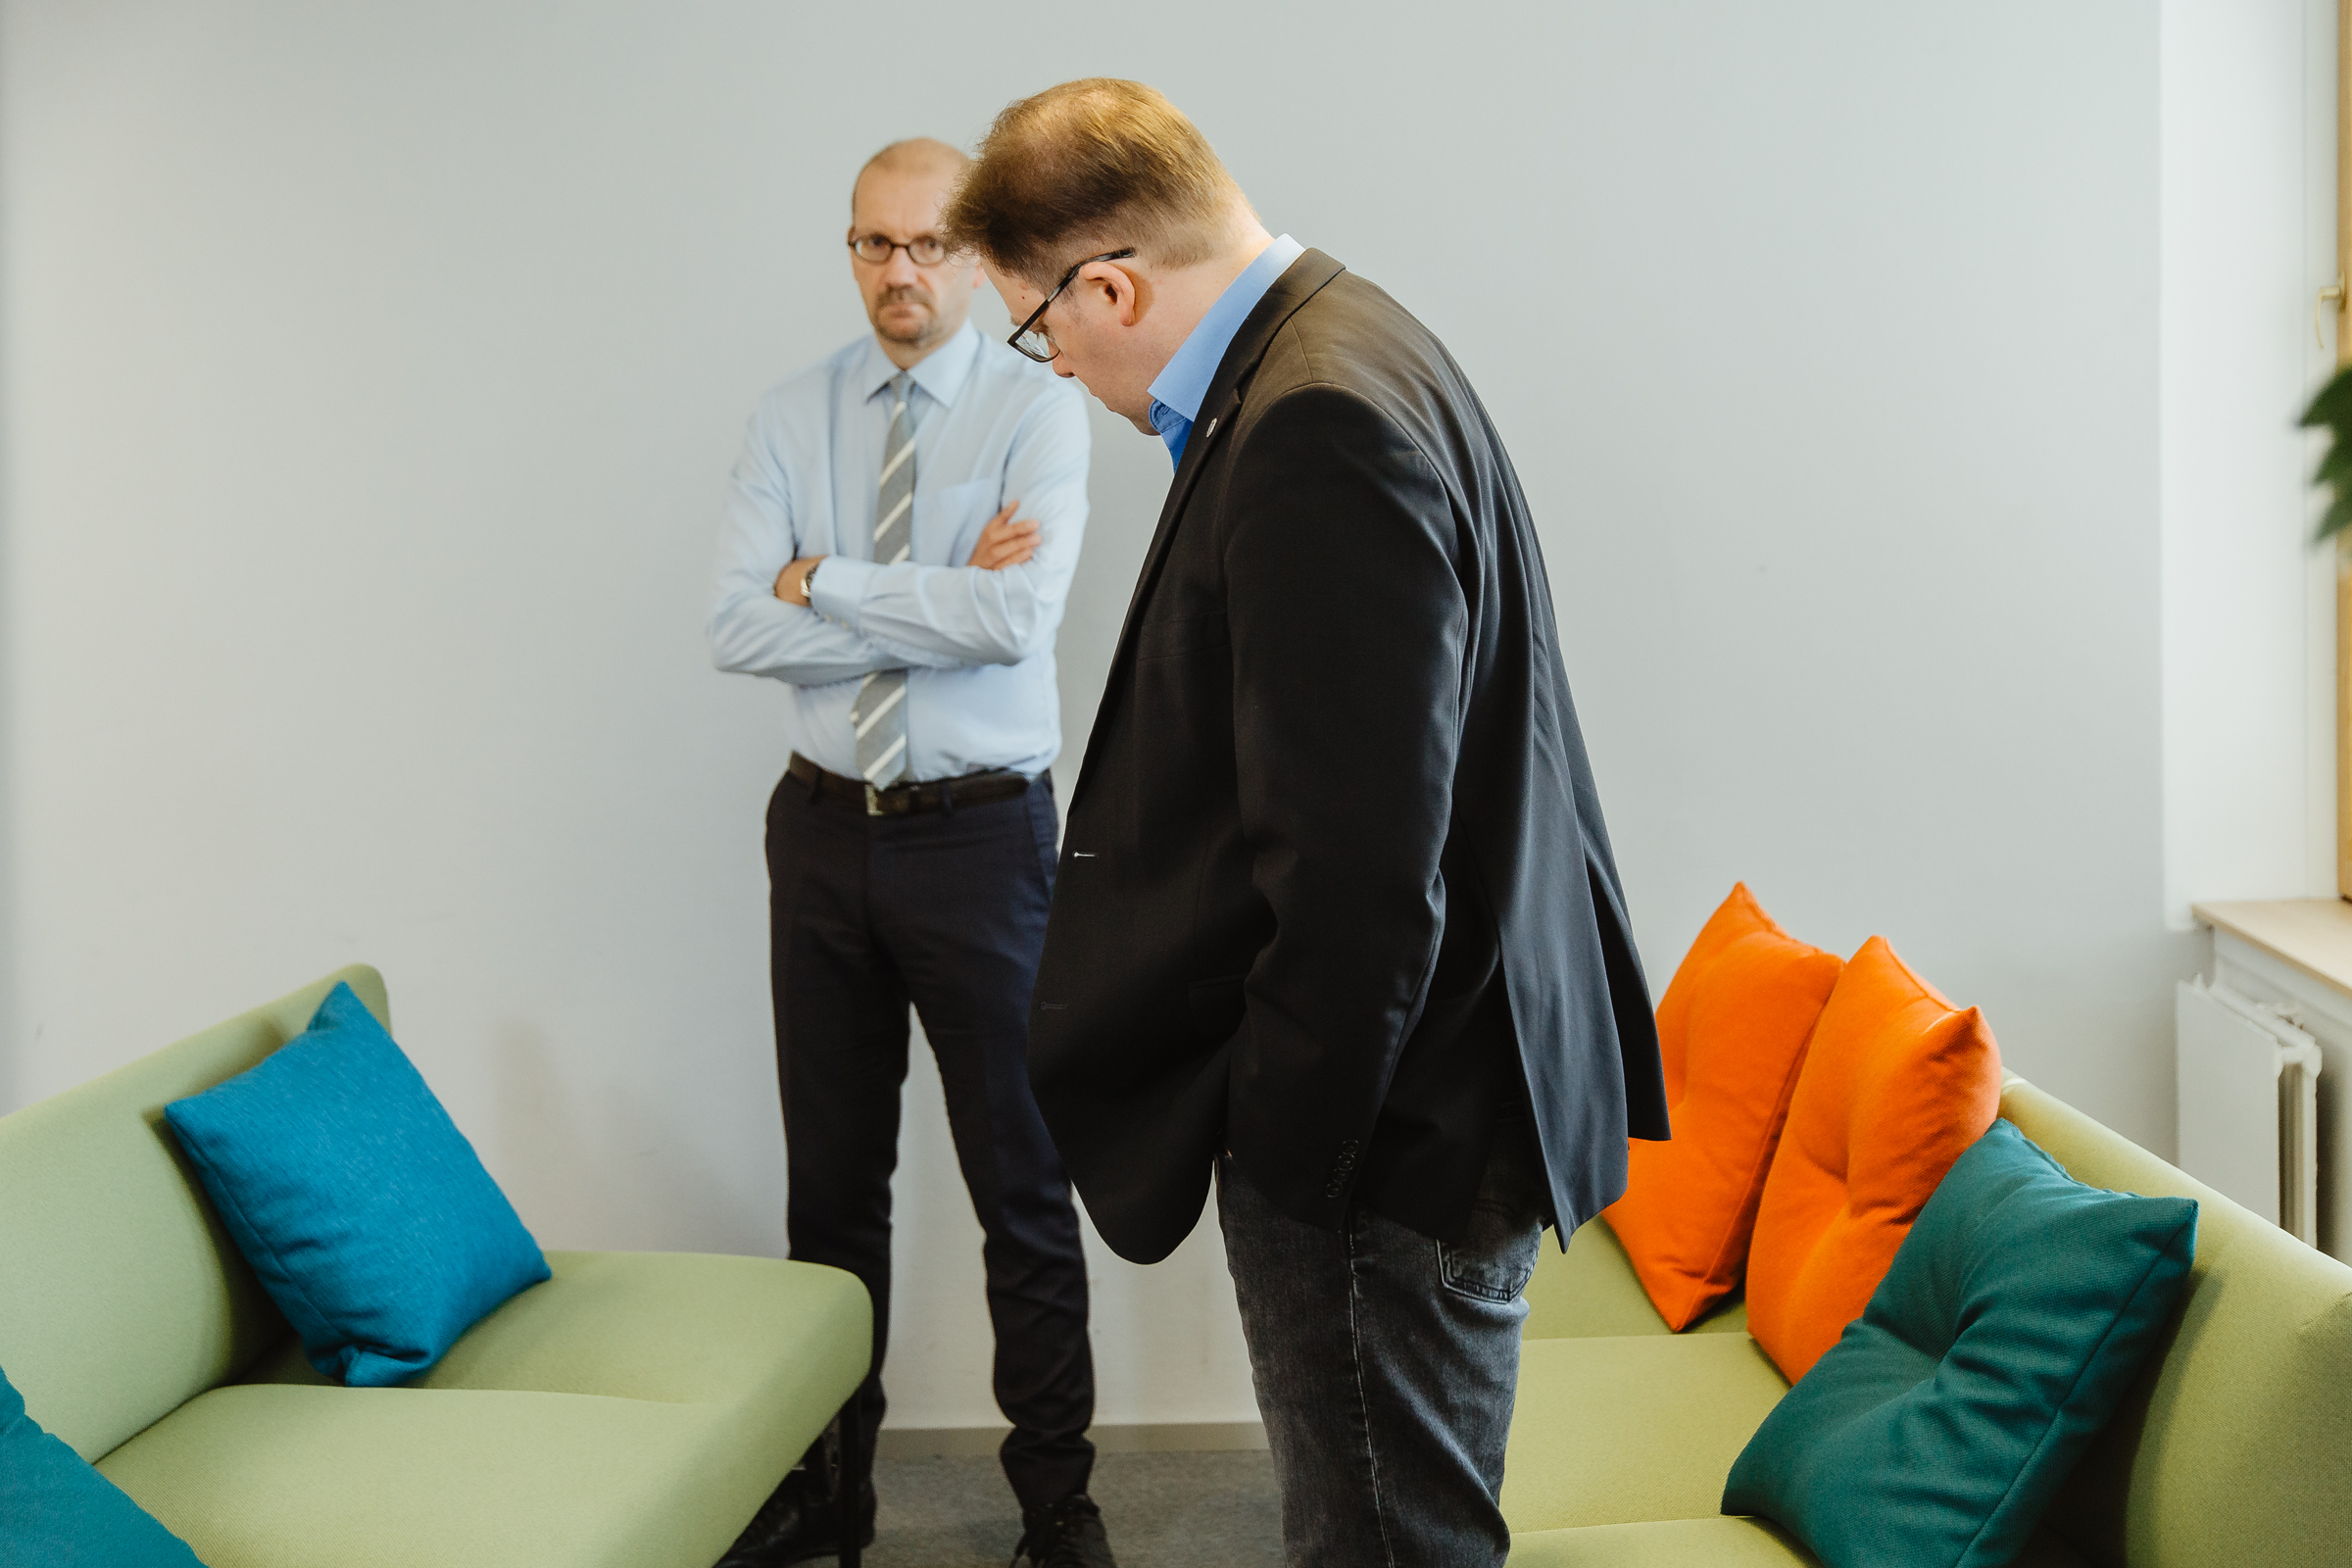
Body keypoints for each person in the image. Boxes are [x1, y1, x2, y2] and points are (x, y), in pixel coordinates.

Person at [941, 81, 1672, 1566]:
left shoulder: (1312, 419)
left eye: (1036, 330)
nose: (1056, 365)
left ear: (1108, 287)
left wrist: (1287, 1165)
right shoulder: (1353, 336)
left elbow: (1359, 886)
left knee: (1384, 1547)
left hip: (1387, 1141)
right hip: (1428, 1099)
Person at [707, 136, 1116, 1568]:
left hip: (983, 843)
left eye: (931, 244)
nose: (901, 271)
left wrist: (823, 578)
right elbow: (735, 626)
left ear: (978, 256)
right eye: (874, 244)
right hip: (822, 834)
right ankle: (834, 1498)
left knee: (1024, 1184)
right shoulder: (790, 414)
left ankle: (1057, 1509)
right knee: (830, 1197)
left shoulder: (1035, 410)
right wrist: (934, 591)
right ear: (852, 251)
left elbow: (1016, 620)